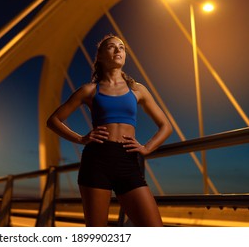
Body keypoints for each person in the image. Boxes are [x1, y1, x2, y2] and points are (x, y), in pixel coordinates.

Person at [46, 34, 172, 227]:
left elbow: (166, 126)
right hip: (97, 160)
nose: (118, 50)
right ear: (100, 56)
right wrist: (80, 138)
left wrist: (147, 148)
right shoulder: (89, 90)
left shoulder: (138, 90)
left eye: (121, 47)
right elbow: (53, 120)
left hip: (128, 162)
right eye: (112, 47)